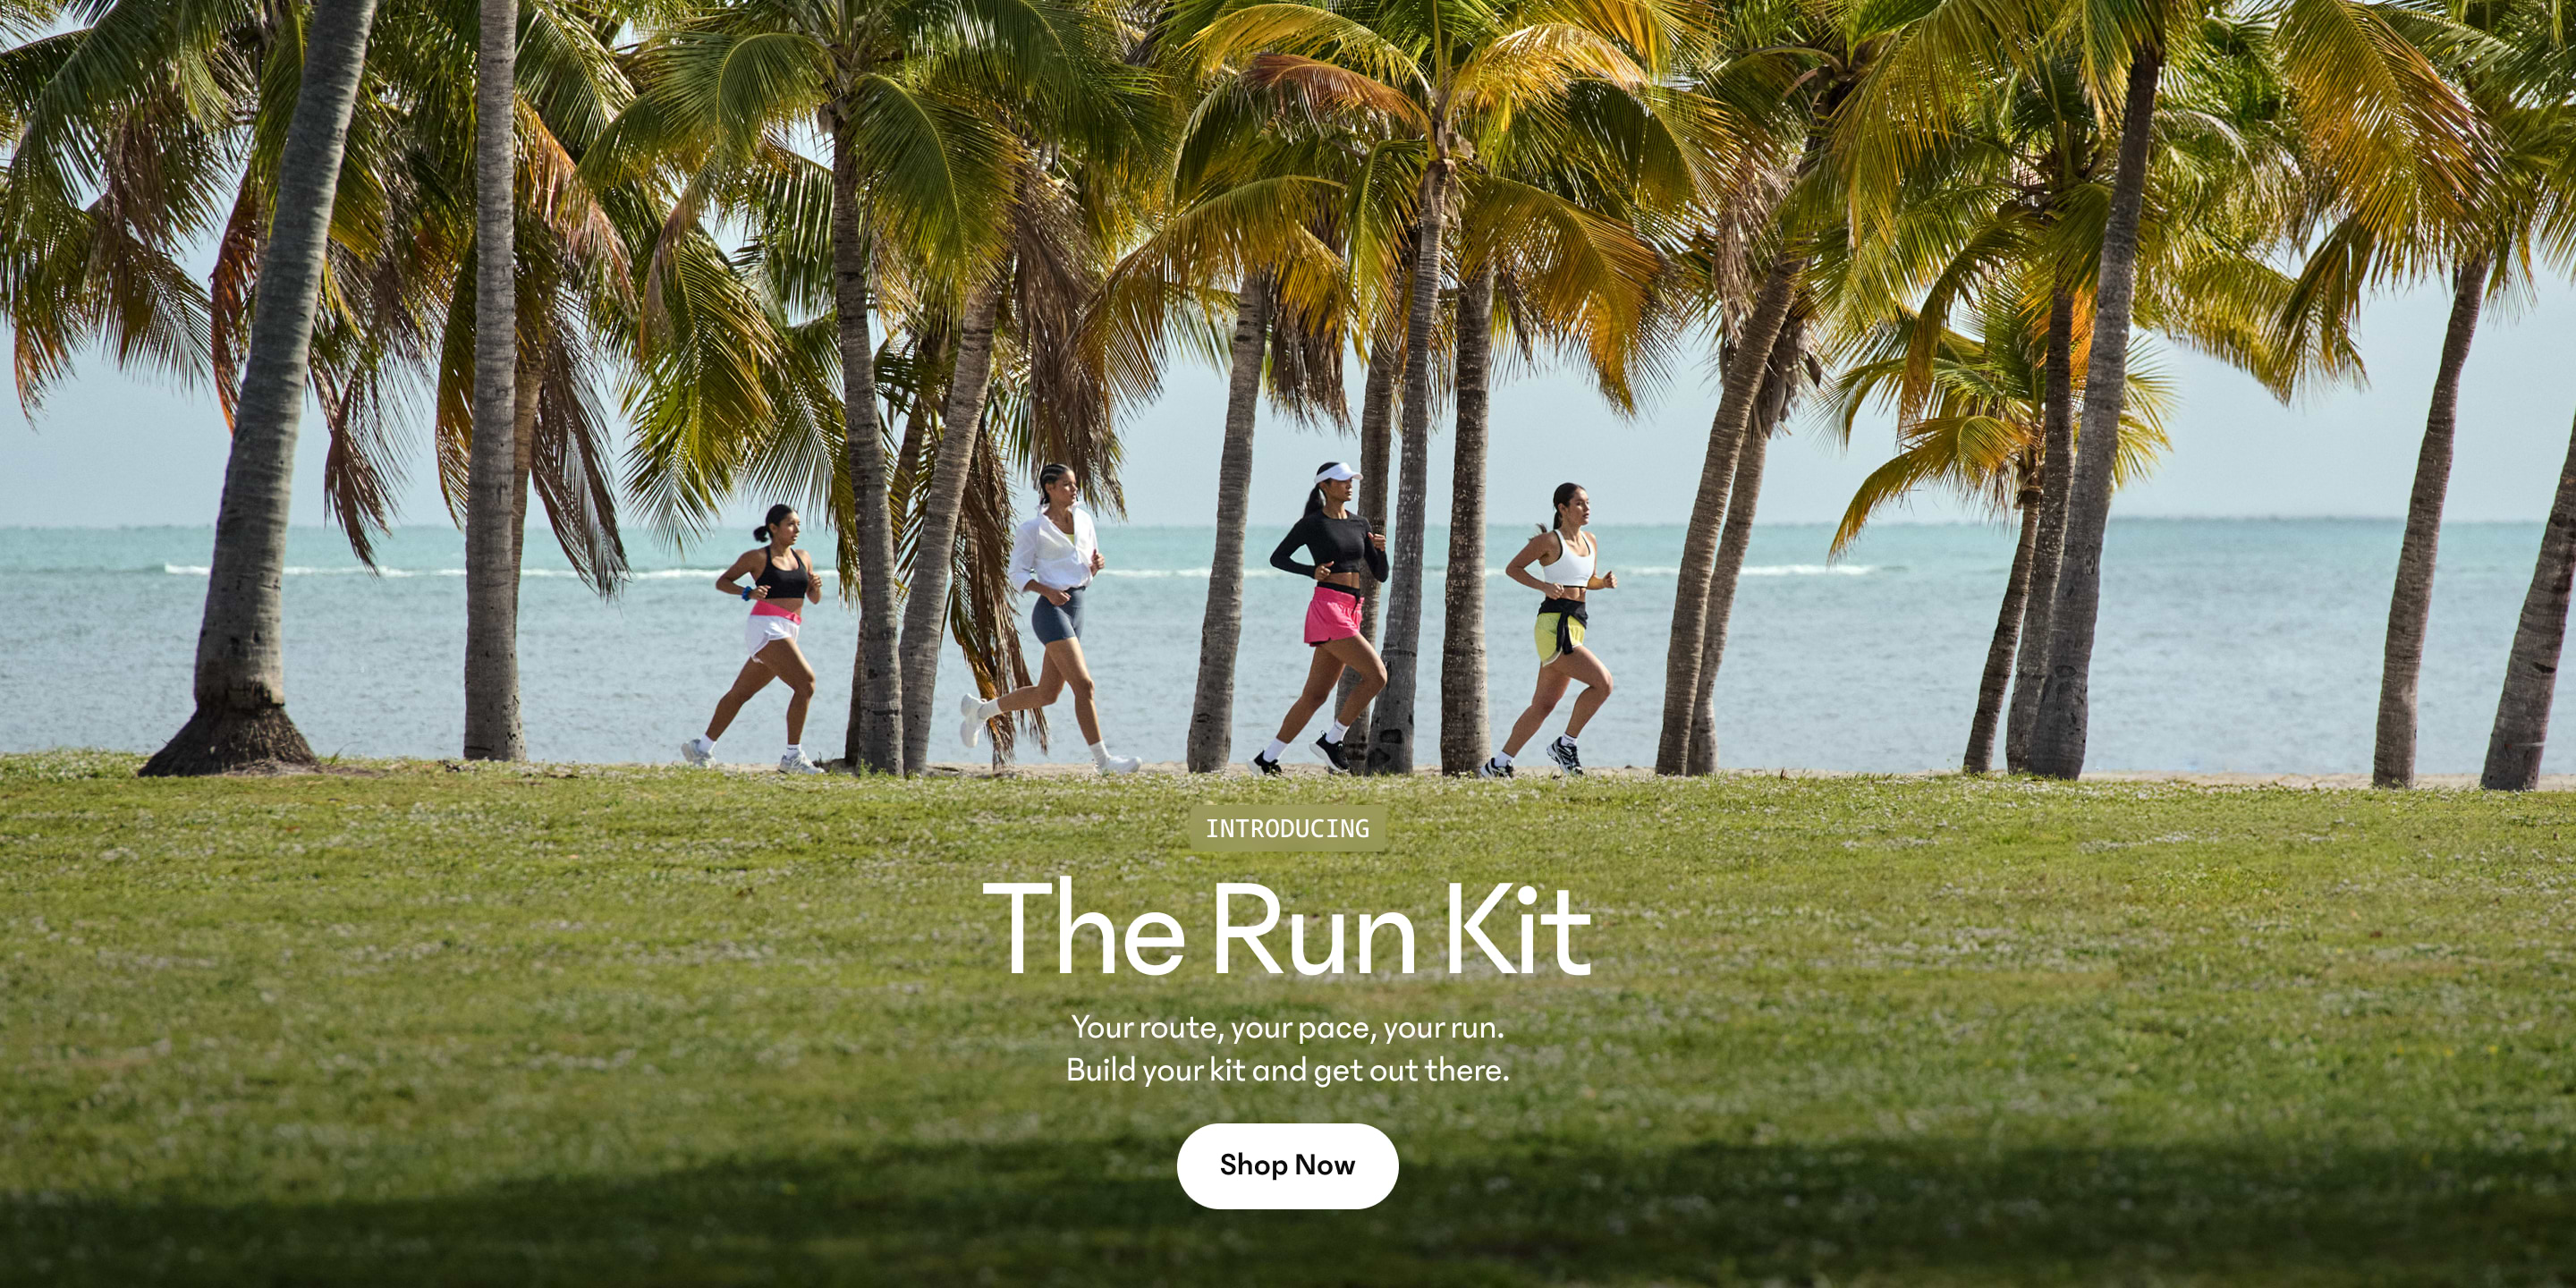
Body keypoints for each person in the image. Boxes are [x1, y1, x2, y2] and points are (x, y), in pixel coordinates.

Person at [959, 464, 1142, 774]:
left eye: (1075, 484)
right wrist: (1048, 590)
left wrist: (1097, 563)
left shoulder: (1083, 520)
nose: (1074, 490)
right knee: (1084, 686)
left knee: (1047, 694)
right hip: (1051, 611)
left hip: (1077, 608)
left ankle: (980, 711)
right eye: (1067, 485)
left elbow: (1085, 565)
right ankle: (1104, 762)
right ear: (1050, 488)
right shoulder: (1033, 529)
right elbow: (1017, 574)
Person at [1253, 462, 1391, 775]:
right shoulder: (1312, 524)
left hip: (1352, 608)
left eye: (1351, 480)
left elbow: (1380, 574)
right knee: (1377, 676)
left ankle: (1266, 759)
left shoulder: (1360, 523)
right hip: (1328, 607)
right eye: (1342, 481)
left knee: (1315, 695)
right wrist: (1311, 571)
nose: (1349, 485)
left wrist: (1380, 550)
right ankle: (1333, 740)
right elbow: (1278, 557)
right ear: (1324, 486)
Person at [1483, 482, 1617, 778]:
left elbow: (1585, 580)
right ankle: (1566, 744)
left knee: (1542, 705)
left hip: (1577, 624)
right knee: (1603, 683)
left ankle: (1499, 765)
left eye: (1588, 502)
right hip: (1554, 627)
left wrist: (1602, 584)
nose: (1587, 508)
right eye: (1580, 503)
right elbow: (1513, 568)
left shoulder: (1591, 541)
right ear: (1562, 508)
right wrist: (1543, 586)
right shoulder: (1549, 541)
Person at [682, 504, 825, 774]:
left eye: (798, 524)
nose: (797, 530)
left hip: (790, 628)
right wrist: (748, 592)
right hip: (766, 626)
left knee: (741, 693)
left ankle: (700, 749)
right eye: (791, 524)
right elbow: (723, 582)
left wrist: (815, 588)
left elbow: (812, 599)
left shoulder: (803, 557)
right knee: (806, 684)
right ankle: (792, 757)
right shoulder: (758, 557)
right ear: (774, 528)